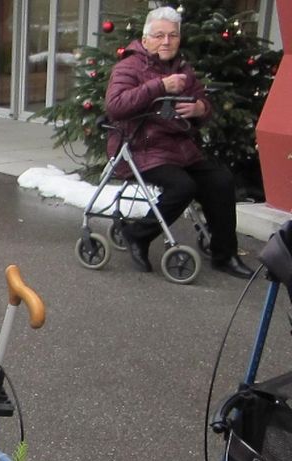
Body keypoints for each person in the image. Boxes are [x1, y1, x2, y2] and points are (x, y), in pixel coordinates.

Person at [106, 6, 253, 279]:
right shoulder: (129, 66)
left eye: (173, 36)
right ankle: (137, 234)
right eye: (160, 35)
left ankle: (225, 255)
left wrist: (199, 109)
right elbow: (115, 106)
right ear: (146, 38)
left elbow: (203, 105)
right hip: (141, 148)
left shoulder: (183, 69)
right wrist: (160, 86)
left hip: (181, 149)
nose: (166, 41)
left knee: (221, 180)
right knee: (183, 186)